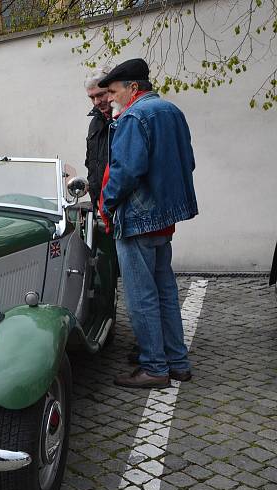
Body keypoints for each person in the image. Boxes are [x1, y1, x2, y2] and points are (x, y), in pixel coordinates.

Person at [98, 58, 198, 388]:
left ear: (133, 88)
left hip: (138, 220)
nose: (110, 98)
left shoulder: (134, 116)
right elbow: (189, 162)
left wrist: (107, 204)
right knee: (165, 292)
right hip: (163, 220)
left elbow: (125, 172)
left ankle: (155, 367)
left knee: (142, 297)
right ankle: (178, 364)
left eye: (113, 91)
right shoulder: (172, 111)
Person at [84, 65, 112, 209]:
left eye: (100, 95)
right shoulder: (95, 123)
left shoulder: (126, 119)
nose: (96, 102)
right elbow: (91, 163)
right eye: (92, 97)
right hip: (100, 207)